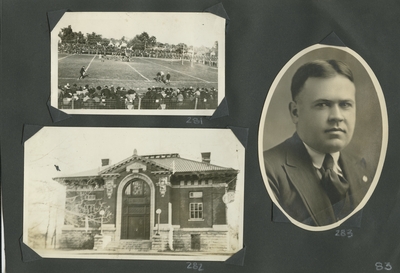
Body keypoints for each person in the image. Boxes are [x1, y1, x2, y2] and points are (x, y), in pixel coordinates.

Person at [264, 60, 371, 226]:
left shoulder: (363, 167)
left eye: (345, 104)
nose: (337, 116)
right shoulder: (268, 169)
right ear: (295, 112)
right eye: (323, 104)